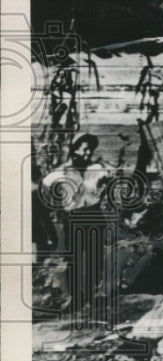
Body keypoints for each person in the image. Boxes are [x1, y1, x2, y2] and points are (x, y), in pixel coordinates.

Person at [39, 132, 115, 313]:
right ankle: (76, 298)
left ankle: (92, 295)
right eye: (84, 149)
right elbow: (45, 188)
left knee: (95, 257)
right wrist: (58, 206)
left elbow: (111, 181)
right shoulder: (61, 172)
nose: (88, 153)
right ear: (75, 149)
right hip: (74, 218)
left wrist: (104, 187)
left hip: (94, 215)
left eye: (90, 149)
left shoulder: (97, 169)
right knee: (74, 259)